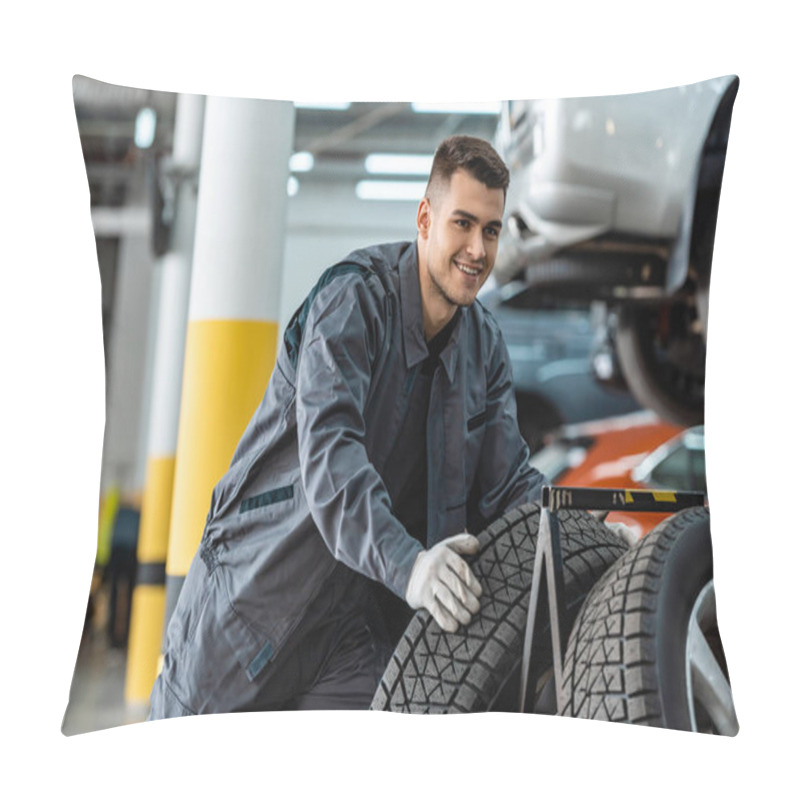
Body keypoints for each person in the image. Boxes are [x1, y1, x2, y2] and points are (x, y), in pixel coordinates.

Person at [148, 134, 545, 718]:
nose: (478, 249)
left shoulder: (483, 347)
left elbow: (508, 484)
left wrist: (581, 531)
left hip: (350, 632)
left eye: (490, 229)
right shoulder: (352, 302)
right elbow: (332, 457)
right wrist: (410, 565)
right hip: (252, 606)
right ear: (425, 218)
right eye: (463, 223)